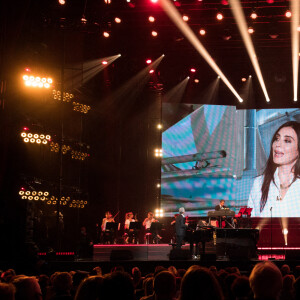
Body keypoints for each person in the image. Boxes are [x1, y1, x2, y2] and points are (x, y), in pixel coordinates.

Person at [248, 121, 300, 217]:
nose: (278, 144)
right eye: (277, 138)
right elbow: (251, 225)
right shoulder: (258, 183)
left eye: (287, 141)